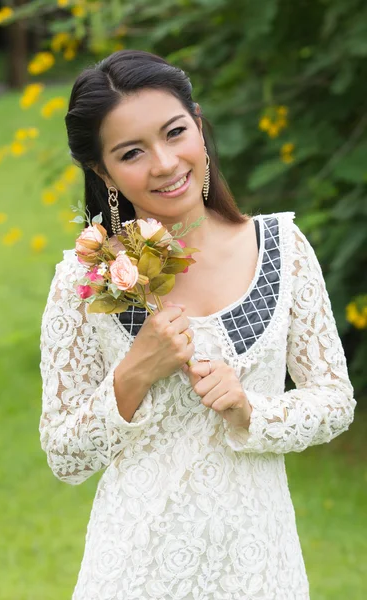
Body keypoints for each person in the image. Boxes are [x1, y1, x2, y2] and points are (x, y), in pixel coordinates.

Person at [39, 49, 356, 600]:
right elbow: (65, 455)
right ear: (103, 172)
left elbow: (334, 400)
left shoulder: (280, 249)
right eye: (132, 152)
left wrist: (248, 408)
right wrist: (135, 372)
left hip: (259, 567)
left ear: (200, 127)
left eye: (175, 132)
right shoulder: (86, 279)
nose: (164, 163)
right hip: (134, 570)